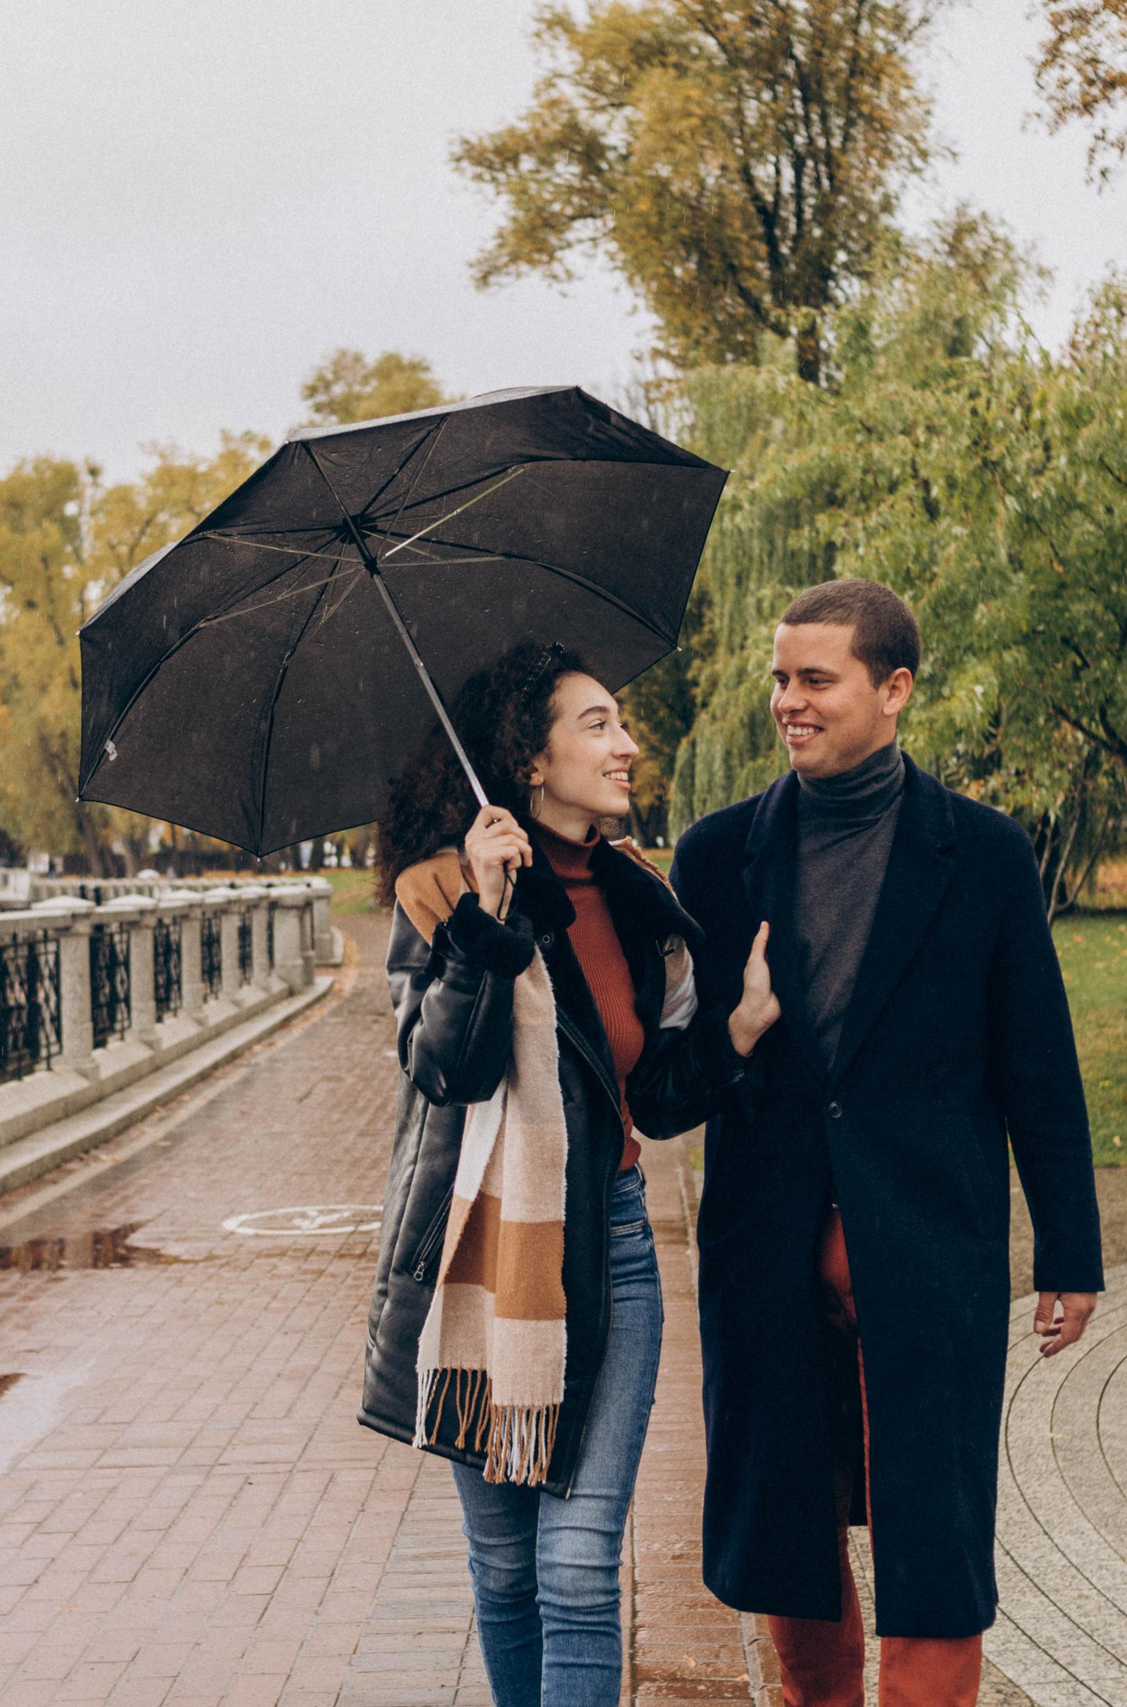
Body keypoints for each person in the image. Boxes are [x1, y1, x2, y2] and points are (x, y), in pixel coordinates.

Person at [667, 579, 1107, 1707]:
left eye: (814, 680)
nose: (786, 703)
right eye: (779, 679)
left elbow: (1037, 1070)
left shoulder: (986, 856)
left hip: (928, 1260)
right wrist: (737, 1028)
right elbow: (669, 1083)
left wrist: (1069, 1252)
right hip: (767, 1261)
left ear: (894, 689)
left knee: (935, 1542)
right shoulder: (716, 859)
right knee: (785, 1538)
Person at [359, 641, 782, 1707]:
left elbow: (661, 1094)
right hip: (479, 1267)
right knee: (505, 1570)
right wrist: (490, 921)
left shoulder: (639, 899)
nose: (626, 744)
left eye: (620, 722)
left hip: (617, 1254)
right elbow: (442, 1070)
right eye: (596, 723)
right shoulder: (440, 893)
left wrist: (735, 1031)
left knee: (578, 1568)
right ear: (529, 761)